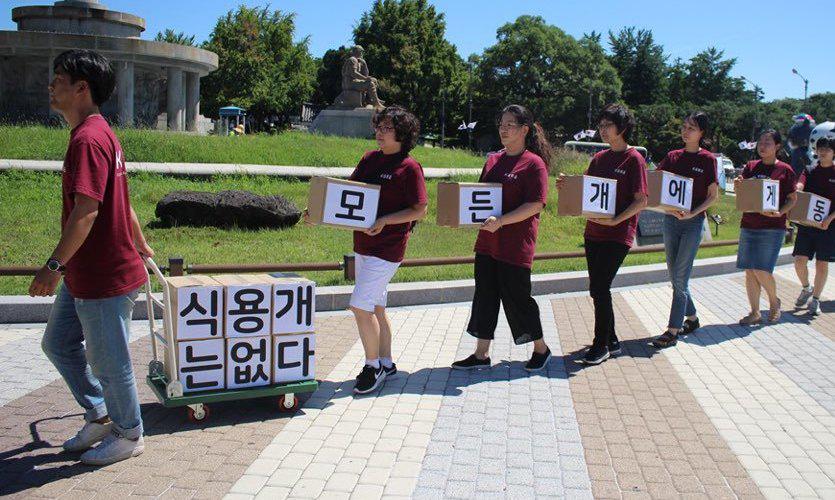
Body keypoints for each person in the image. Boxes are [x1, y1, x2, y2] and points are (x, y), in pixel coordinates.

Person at [31, 49, 153, 465]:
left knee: (109, 359)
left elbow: (88, 210)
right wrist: (140, 241)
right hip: (87, 272)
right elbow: (124, 199)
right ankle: (101, 413)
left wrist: (52, 267)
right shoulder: (100, 132)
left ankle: (130, 432)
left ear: (82, 88)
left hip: (103, 275)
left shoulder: (88, 138)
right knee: (59, 344)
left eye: (60, 79)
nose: (52, 86)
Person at [305, 106, 427, 394]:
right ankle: (386, 360)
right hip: (363, 244)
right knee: (376, 307)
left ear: (402, 134)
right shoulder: (369, 159)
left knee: (360, 306)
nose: (379, 133)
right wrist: (317, 213)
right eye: (379, 127)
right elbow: (347, 192)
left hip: (388, 249)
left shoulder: (409, 167)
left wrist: (385, 220)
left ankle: (373, 367)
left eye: (386, 128)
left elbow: (420, 209)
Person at [452, 104, 553, 372]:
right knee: (484, 296)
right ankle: (481, 354)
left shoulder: (533, 163)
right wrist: (464, 216)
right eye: (501, 124)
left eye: (510, 125)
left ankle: (541, 348)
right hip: (488, 242)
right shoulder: (493, 160)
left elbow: (536, 204)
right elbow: (480, 195)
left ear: (524, 130)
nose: (504, 129)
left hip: (515, 245)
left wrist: (502, 222)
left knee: (518, 299)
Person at [557, 103, 648, 365]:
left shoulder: (634, 159)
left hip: (618, 235)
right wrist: (567, 184)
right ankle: (613, 339)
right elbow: (586, 189)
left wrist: (616, 221)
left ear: (622, 128)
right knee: (598, 288)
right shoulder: (599, 159)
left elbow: (641, 200)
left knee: (600, 287)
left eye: (608, 125)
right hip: (594, 232)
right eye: (601, 125)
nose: (603, 130)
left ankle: (601, 345)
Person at [652, 112, 719, 348]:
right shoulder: (672, 156)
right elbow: (656, 183)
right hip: (671, 221)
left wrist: (693, 212)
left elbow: (713, 196)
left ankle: (672, 329)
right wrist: (665, 209)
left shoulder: (708, 160)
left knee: (680, 277)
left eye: (692, 128)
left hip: (693, 223)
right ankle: (692, 318)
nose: (686, 131)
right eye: (685, 126)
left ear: (702, 133)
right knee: (675, 276)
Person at [735, 129, 797, 325]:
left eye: (768, 142)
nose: (762, 146)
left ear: (777, 146)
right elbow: (743, 193)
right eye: (761, 142)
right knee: (749, 270)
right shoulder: (751, 166)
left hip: (772, 227)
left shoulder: (785, 170)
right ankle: (754, 312)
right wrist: (738, 185)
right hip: (749, 225)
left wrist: (781, 212)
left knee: (762, 269)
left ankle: (773, 301)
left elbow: (792, 199)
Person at [793, 137, 835, 315]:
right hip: (807, 224)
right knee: (799, 261)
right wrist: (798, 188)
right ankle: (807, 287)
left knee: (821, 264)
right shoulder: (810, 170)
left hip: (828, 226)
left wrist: (830, 219)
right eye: (820, 148)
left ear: (833, 152)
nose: (823, 152)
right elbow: (800, 184)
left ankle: (815, 300)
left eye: (827, 149)